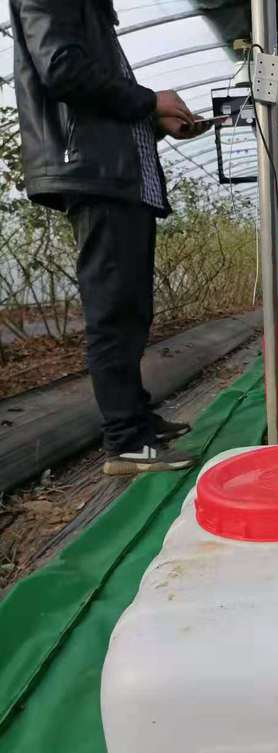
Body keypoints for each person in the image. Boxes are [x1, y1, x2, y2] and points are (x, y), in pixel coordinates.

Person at [10, 0, 212, 475]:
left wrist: (155, 121)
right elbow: (61, 69)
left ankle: (135, 418)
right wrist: (148, 100)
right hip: (95, 177)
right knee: (112, 310)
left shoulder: (94, 16)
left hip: (120, 180)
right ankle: (124, 440)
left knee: (131, 307)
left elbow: (102, 107)